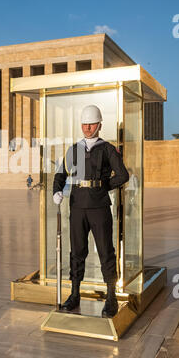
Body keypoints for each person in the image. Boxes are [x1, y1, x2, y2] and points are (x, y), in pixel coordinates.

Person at [53, 105, 129, 318]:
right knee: (77, 252)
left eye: (92, 124)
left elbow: (123, 175)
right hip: (77, 206)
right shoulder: (73, 149)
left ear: (99, 125)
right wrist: (56, 191)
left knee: (106, 252)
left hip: (99, 208)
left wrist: (103, 185)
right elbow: (60, 174)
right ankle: (75, 293)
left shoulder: (107, 149)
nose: (87, 128)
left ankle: (111, 297)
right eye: (85, 124)